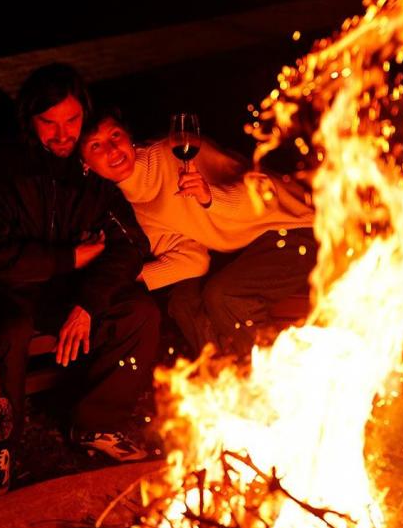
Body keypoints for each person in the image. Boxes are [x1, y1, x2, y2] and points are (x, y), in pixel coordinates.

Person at [0, 64, 160, 498]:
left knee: (138, 311)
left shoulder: (86, 170)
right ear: (29, 121)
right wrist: (69, 256)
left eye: (71, 121)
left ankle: (96, 425)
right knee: (7, 330)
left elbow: (130, 242)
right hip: (7, 285)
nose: (61, 134)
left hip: (63, 287)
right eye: (48, 123)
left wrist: (88, 302)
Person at [79, 108, 317, 358]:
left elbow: (261, 191)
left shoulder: (174, 152)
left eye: (115, 135)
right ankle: (225, 381)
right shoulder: (130, 208)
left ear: (128, 136)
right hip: (242, 250)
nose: (112, 149)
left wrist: (210, 197)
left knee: (224, 295)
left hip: (294, 228)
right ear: (85, 164)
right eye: (96, 146)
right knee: (183, 302)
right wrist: (118, 276)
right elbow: (191, 261)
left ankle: (276, 380)